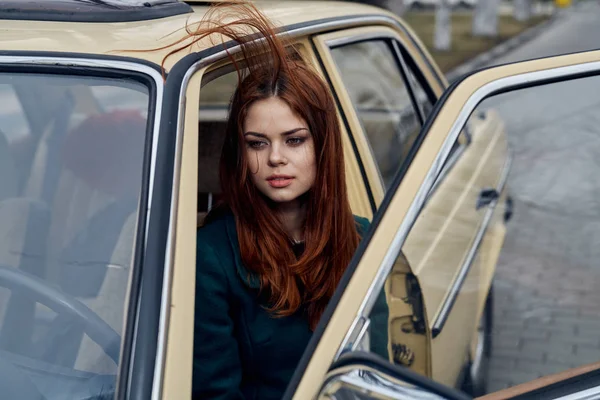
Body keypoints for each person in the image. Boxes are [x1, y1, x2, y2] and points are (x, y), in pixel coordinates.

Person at [166, 3, 390, 399]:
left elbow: (377, 376)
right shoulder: (211, 255)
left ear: (323, 145)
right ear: (241, 152)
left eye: (294, 140)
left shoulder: (362, 240)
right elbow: (214, 392)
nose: (275, 159)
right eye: (257, 144)